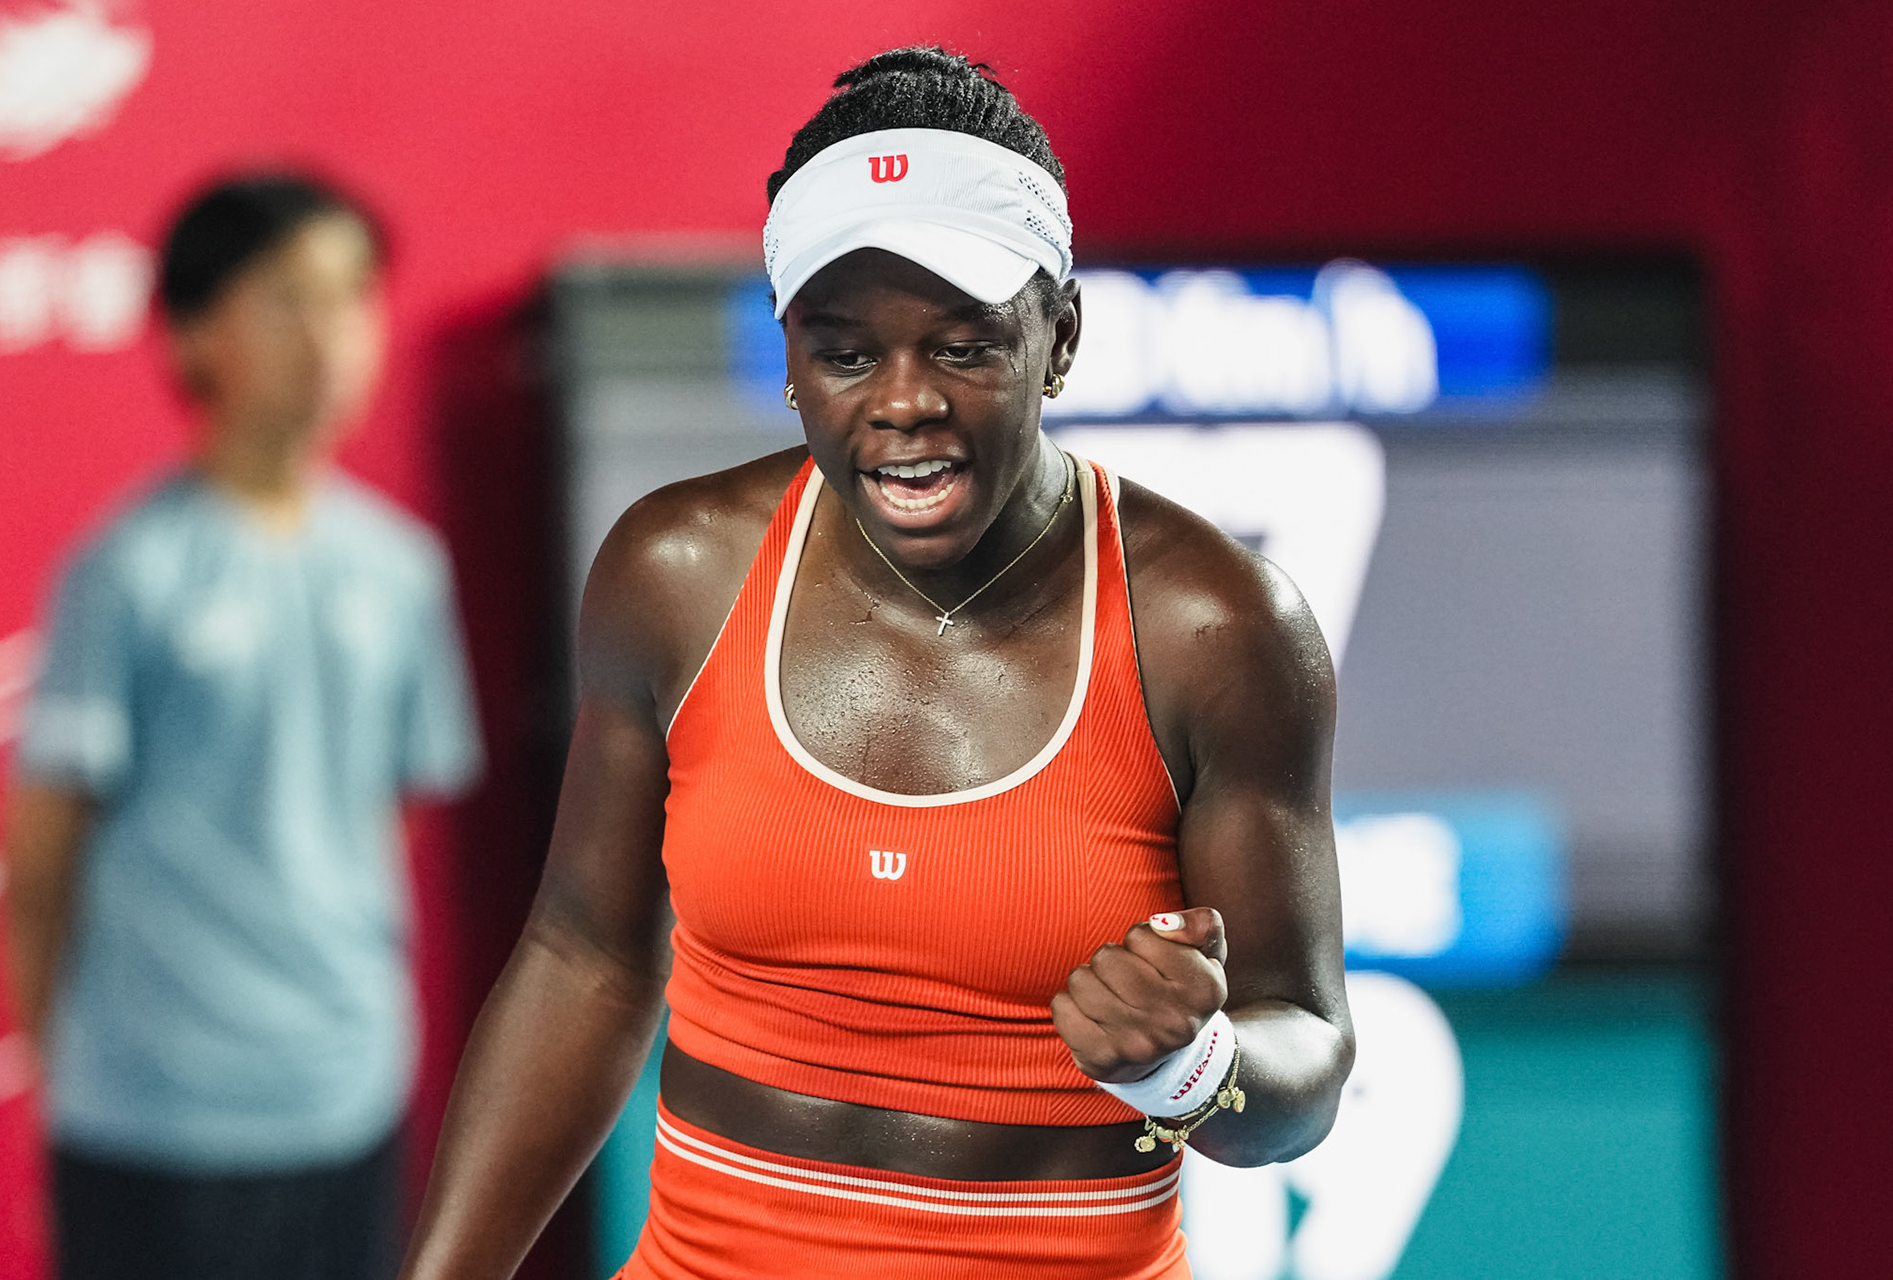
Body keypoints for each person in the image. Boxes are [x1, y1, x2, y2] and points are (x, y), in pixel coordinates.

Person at [400, 47, 1352, 1280]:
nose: (904, 402)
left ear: (1060, 338)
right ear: (792, 358)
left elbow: (1303, 1066)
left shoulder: (1215, 628)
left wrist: (1198, 1064)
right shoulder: (675, 571)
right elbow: (584, 955)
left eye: (962, 347)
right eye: (847, 353)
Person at [3, 173, 483, 1280]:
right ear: (192, 332)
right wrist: (67, 1083)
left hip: (343, 1093)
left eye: (352, 296)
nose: (329, 338)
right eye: (286, 299)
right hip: (152, 1117)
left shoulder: (401, 570)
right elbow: (40, 859)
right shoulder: (125, 570)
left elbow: (385, 815)